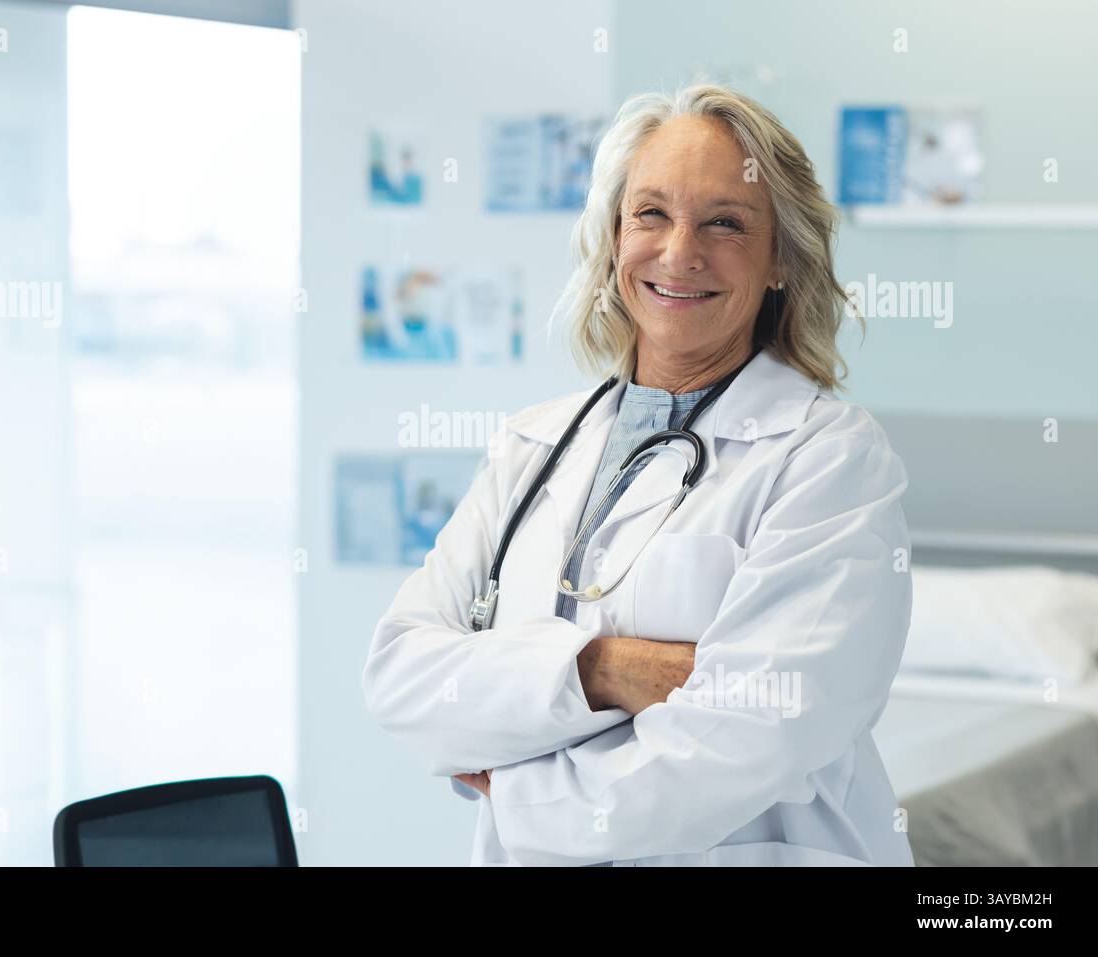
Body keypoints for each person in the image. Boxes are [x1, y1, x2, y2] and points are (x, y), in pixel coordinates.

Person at [362, 84, 914, 867]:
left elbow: (753, 733)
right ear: (613, 236)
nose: (679, 251)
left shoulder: (829, 459)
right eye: (651, 213)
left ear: (781, 260)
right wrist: (603, 669)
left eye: (726, 222)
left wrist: (520, 787)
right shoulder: (534, 444)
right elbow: (402, 679)